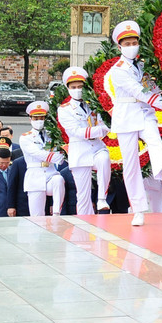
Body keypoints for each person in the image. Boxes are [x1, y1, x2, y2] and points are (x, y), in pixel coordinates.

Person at [109, 20, 162, 226]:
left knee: (155, 140)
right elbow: (137, 90)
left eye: (134, 43)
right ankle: (138, 209)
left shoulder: (143, 66)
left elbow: (152, 87)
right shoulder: (118, 69)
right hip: (126, 116)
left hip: (145, 113)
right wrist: (160, 103)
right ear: (120, 47)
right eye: (127, 44)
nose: (132, 47)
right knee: (131, 165)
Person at [56, 66, 111, 214]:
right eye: (73, 87)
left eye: (80, 86)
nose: (77, 90)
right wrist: (100, 130)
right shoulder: (64, 109)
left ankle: (102, 199)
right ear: (68, 88)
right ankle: (84, 222)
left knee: (104, 159)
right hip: (79, 152)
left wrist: (103, 128)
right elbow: (76, 132)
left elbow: (104, 122)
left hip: (96, 146)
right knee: (83, 196)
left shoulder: (93, 104)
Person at [19, 101, 66, 216]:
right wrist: (58, 157)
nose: (39, 121)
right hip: (35, 176)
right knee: (37, 216)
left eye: (41, 118)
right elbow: (38, 153)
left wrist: (61, 155)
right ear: (30, 119)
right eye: (36, 118)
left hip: (50, 172)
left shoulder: (52, 135)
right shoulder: (25, 137)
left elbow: (60, 149)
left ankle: (56, 212)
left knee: (59, 180)